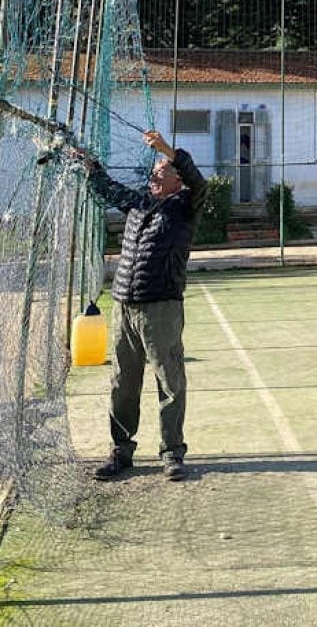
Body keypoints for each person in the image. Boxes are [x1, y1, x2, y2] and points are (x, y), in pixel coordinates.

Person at [79, 131, 207, 481]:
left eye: (160, 171)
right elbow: (107, 188)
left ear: (177, 180)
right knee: (123, 382)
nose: (152, 176)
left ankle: (172, 453)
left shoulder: (186, 205)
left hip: (161, 307)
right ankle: (121, 451)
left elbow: (200, 182)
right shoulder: (138, 203)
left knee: (169, 381)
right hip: (124, 305)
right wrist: (89, 166)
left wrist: (169, 150)